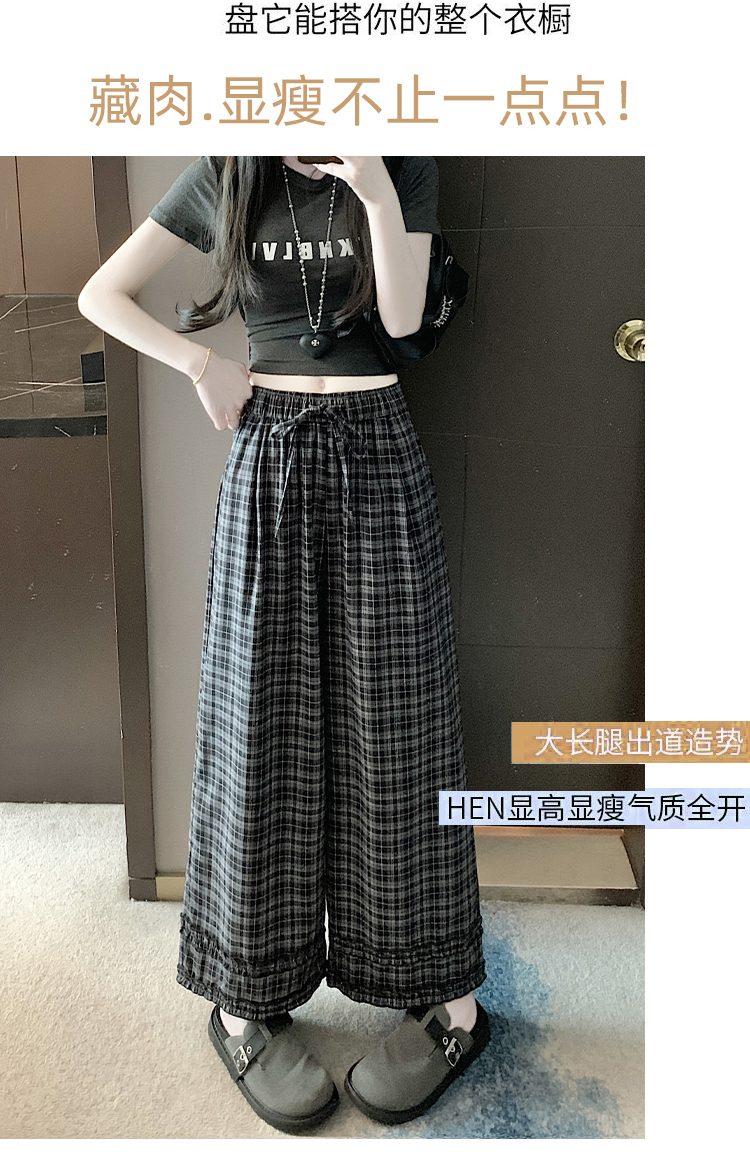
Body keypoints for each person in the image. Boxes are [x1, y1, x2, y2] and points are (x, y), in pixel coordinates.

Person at [78, 155, 488, 1133]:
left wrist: (375, 188)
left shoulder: (400, 165)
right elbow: (102, 294)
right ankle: (241, 1000)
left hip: (379, 447)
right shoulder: (228, 170)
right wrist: (199, 363)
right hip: (267, 454)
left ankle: (453, 1003)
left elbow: (401, 322)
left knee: (402, 733)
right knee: (256, 731)